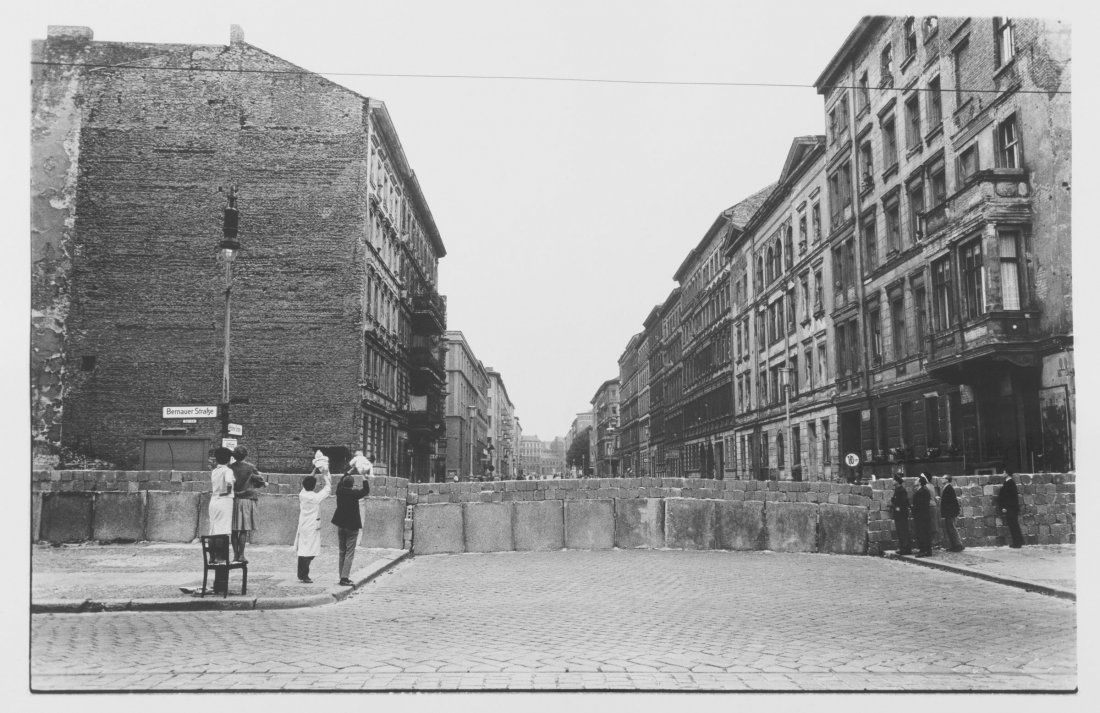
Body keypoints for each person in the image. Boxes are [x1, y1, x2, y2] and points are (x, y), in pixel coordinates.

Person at [294, 451, 332, 583]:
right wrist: (325, 474)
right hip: (311, 526)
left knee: (303, 549)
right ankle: (304, 574)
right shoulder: (315, 498)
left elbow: (308, 480)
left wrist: (315, 469)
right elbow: (328, 488)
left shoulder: (302, 494)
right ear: (314, 486)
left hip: (303, 524)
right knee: (309, 551)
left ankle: (301, 573)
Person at [331, 473, 371, 586]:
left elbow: (339, 483)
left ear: (343, 483)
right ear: (352, 484)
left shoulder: (339, 491)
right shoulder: (355, 493)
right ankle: (344, 578)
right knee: (349, 552)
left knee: (342, 551)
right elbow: (366, 490)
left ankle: (341, 576)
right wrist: (364, 478)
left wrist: (348, 471)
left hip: (341, 525)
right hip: (352, 526)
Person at [230, 446, 266, 563]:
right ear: (245, 455)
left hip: (233, 500)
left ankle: (235, 555)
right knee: (244, 530)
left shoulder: (230, 467)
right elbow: (261, 481)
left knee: (234, 530)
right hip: (246, 499)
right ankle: (241, 555)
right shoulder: (250, 467)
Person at [208, 447, 235, 539]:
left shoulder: (215, 471)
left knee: (214, 527)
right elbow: (229, 483)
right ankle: (221, 552)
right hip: (224, 501)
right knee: (223, 529)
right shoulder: (228, 471)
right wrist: (226, 492)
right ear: (228, 459)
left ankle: (214, 551)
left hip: (214, 500)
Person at [996, 470, 1024, 548]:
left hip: (1010, 508)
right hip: (1011, 508)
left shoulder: (1010, 483)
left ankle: (1017, 542)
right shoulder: (1009, 482)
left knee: (1013, 525)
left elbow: (1009, 497)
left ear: (1007, 474)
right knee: (1014, 525)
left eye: (1004, 472)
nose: (1002, 474)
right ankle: (1018, 541)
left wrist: (1005, 507)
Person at [911, 473, 934, 557]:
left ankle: (925, 551)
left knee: (923, 534)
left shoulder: (923, 491)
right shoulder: (921, 490)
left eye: (917, 479)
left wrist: (913, 508)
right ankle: (924, 550)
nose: (915, 480)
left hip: (922, 516)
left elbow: (921, 505)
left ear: (920, 482)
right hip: (921, 516)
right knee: (921, 533)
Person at [940, 474, 964, 552]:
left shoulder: (949, 488)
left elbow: (951, 502)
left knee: (952, 529)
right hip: (949, 512)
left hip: (950, 513)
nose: (941, 479)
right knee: (950, 529)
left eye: (943, 478)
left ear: (947, 480)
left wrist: (949, 512)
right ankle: (954, 545)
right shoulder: (947, 487)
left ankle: (958, 545)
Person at [889, 474, 912, 556]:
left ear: (897, 481)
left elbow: (903, 504)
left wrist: (895, 508)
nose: (893, 481)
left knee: (903, 531)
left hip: (901, 515)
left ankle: (906, 549)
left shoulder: (901, 490)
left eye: (894, 480)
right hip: (898, 514)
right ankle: (902, 548)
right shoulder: (897, 489)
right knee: (900, 532)